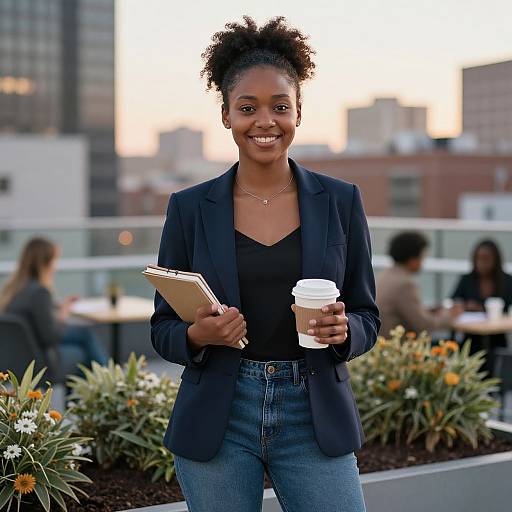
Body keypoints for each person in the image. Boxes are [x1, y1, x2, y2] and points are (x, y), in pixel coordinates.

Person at [150, 17, 380, 512]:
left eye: (280, 106)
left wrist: (347, 332)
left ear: (299, 111)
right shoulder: (190, 209)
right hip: (220, 414)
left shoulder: (340, 201)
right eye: (247, 108)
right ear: (227, 115)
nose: (265, 121)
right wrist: (197, 337)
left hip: (313, 412)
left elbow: (367, 314)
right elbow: (162, 328)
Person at [0, 237, 108, 382]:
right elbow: (51, 336)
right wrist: (63, 314)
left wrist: (58, 308)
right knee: (84, 343)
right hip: (41, 363)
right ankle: (108, 381)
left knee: (83, 339)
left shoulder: (13, 290)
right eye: (54, 261)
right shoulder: (40, 292)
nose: (55, 266)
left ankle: (99, 385)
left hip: (15, 359)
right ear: (44, 263)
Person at [376, 231, 463, 337]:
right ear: (413, 258)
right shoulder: (405, 284)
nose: (423, 262)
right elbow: (425, 325)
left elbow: (405, 312)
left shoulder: (385, 275)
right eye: (422, 256)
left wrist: (428, 311)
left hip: (380, 343)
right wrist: (450, 315)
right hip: (398, 347)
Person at [451, 239, 512, 373]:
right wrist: (465, 306)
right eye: (478, 258)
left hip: (497, 337)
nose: (481, 263)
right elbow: (453, 300)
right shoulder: (467, 279)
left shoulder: (506, 281)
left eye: (486, 259)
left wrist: (482, 308)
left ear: (495, 260)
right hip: (471, 339)